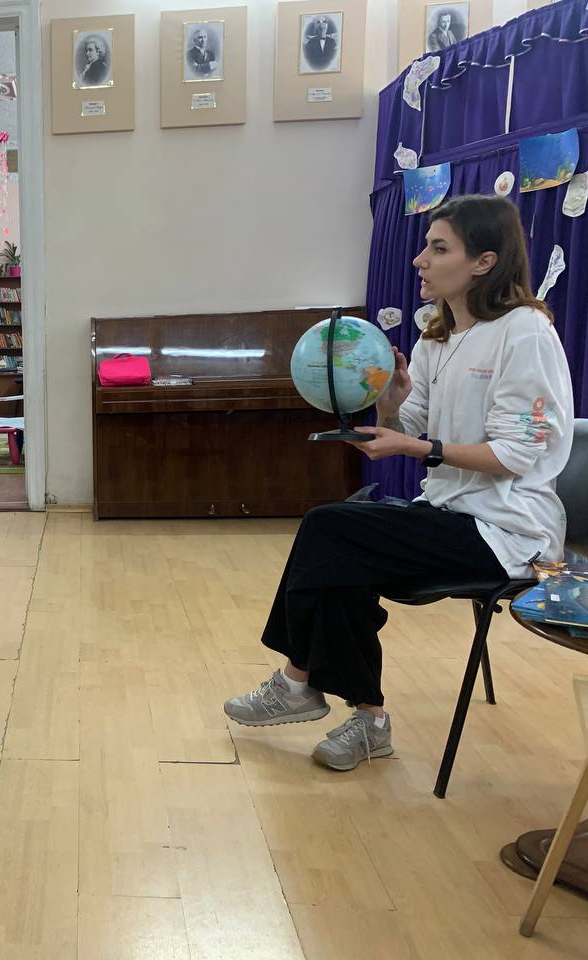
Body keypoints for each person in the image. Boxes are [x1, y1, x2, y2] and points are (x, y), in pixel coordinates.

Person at [223, 195, 575, 772]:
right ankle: (364, 717)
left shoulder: (525, 332)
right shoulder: (437, 338)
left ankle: (299, 682)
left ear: (483, 262)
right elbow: (410, 427)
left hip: (508, 531)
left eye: (439, 248)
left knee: (331, 529)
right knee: (339, 549)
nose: (419, 260)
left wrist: (415, 448)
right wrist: (392, 406)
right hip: (447, 512)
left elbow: (515, 455)